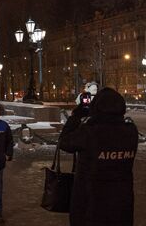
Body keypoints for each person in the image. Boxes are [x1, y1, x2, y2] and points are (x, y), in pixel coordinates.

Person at [59, 87, 138, 226]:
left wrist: (76, 116)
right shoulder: (131, 131)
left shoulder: (89, 132)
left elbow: (64, 142)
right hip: (122, 203)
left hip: (91, 204)